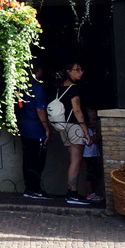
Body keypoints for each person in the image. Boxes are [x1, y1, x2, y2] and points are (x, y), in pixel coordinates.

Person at [56, 61, 92, 205]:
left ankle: (71, 192)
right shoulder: (74, 89)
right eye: (77, 70)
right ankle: (73, 193)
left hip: (63, 127)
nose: (81, 72)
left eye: (81, 69)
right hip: (75, 127)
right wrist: (86, 131)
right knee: (76, 161)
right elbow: (77, 111)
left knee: (73, 160)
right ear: (68, 71)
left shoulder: (60, 89)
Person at [16, 59, 53, 199]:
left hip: (24, 126)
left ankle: (29, 188)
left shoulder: (21, 86)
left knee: (27, 159)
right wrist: (46, 127)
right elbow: (40, 110)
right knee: (37, 160)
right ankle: (35, 188)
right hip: (36, 128)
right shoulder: (38, 87)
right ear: (39, 70)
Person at [84, 110, 104, 203]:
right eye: (94, 119)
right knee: (91, 175)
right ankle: (90, 193)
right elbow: (93, 140)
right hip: (89, 154)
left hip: (94, 153)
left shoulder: (91, 129)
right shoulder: (87, 130)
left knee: (96, 174)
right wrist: (95, 132)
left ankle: (94, 192)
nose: (95, 121)